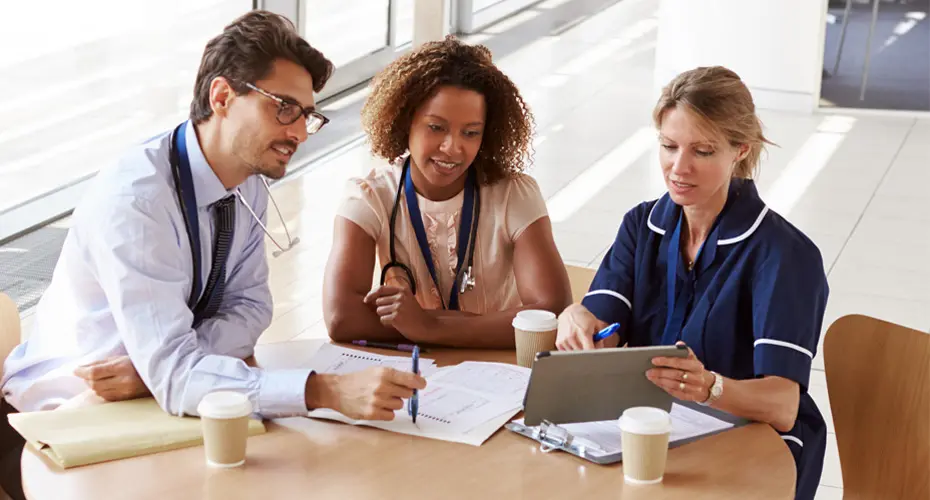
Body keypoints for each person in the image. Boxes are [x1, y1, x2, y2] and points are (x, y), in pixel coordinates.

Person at [0, 12, 425, 500]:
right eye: (284, 108)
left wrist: (157, 369)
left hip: (151, 403)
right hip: (58, 426)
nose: (301, 132)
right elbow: (180, 377)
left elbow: (251, 308)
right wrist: (323, 391)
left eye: (308, 114)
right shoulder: (137, 200)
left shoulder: (247, 180)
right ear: (221, 97)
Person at [555, 66, 828, 500]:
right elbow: (602, 328)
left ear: (740, 149)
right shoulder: (642, 226)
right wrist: (576, 318)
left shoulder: (785, 255)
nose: (678, 168)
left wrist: (711, 387)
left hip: (754, 441)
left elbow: (782, 405)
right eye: (668, 146)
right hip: (658, 428)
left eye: (702, 151)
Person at [323, 37, 571, 349]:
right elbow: (341, 318)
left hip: (497, 368)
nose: (452, 148)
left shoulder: (513, 194)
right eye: (436, 127)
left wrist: (427, 326)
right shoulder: (368, 196)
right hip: (416, 368)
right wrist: (472, 327)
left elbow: (551, 311)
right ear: (405, 121)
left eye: (470, 133)